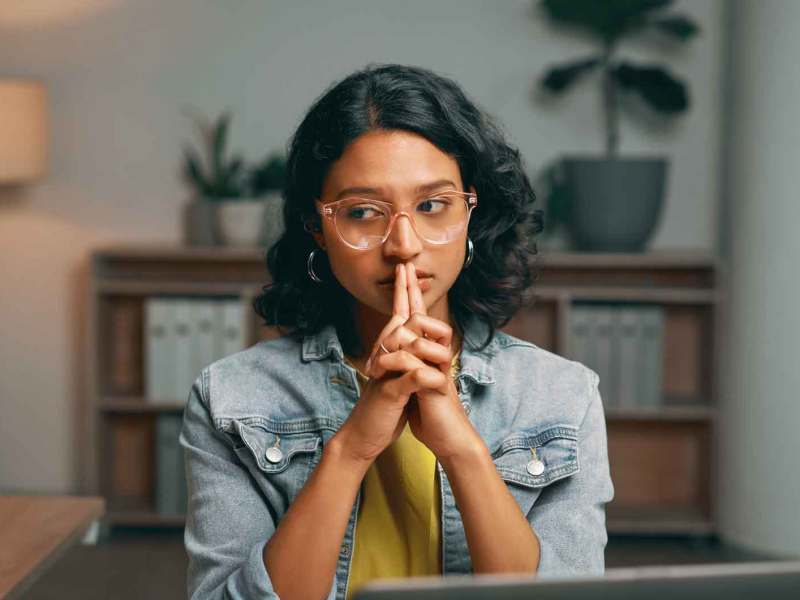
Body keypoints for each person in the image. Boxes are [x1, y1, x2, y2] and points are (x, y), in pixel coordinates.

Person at [180, 63, 614, 600]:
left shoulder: (562, 397)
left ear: (471, 213)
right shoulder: (230, 398)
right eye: (363, 212)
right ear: (319, 226)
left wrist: (461, 449)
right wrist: (355, 444)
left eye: (432, 206)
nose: (404, 244)